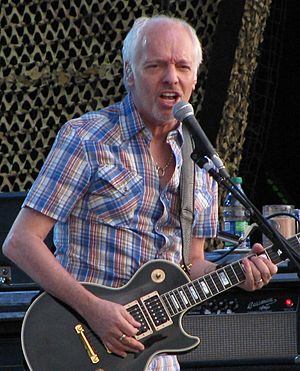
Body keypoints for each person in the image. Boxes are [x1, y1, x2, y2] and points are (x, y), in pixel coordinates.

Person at [3, 15, 278, 370]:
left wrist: (243, 275)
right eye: (155, 66)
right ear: (129, 74)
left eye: (182, 66)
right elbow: (20, 242)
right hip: (84, 338)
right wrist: (94, 310)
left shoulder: (202, 159)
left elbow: (192, 263)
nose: (171, 77)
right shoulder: (88, 138)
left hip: (159, 355)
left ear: (195, 78)